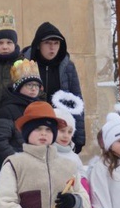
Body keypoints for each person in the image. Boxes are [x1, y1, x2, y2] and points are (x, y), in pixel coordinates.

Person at [22, 22, 85, 153]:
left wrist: (78, 138)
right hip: (33, 127)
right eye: (48, 43)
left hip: (59, 128)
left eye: (56, 43)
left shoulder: (67, 66)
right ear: (39, 45)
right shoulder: (24, 64)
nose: (52, 48)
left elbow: (76, 101)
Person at [0, 59, 43, 169]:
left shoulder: (42, 107)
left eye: (36, 85)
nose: (34, 88)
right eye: (29, 84)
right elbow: (0, 140)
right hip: (16, 164)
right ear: (18, 87)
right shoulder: (8, 109)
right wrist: (15, 159)